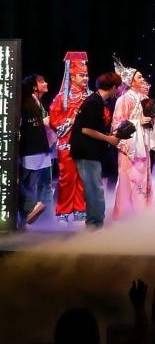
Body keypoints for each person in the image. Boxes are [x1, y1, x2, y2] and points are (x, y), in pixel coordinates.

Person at [69, 71, 122, 228]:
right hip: (86, 151)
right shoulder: (94, 102)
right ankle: (94, 225)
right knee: (94, 189)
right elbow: (86, 129)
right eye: (118, 87)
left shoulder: (97, 100)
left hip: (90, 151)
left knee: (95, 188)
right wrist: (109, 139)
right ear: (114, 87)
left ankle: (96, 223)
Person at [111, 59, 155, 219]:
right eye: (139, 77)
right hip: (130, 145)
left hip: (142, 143)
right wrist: (139, 121)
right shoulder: (124, 99)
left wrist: (151, 120)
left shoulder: (144, 97)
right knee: (128, 178)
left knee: (143, 178)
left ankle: (142, 213)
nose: (142, 79)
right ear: (130, 82)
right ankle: (125, 214)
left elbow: (148, 119)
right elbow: (118, 124)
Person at [48, 51, 89, 222]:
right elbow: (54, 119)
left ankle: (80, 208)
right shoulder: (61, 98)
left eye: (86, 75)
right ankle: (63, 211)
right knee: (67, 178)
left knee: (82, 177)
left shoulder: (89, 97)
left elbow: (103, 116)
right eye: (82, 75)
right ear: (72, 77)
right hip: (67, 143)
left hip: (85, 143)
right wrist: (71, 121)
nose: (85, 78)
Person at [19, 74, 53, 226]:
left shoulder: (36, 103)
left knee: (35, 184)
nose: (46, 83)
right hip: (32, 150)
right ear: (34, 87)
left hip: (40, 150)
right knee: (26, 184)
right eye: (41, 81)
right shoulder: (27, 104)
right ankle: (30, 209)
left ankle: (29, 215)